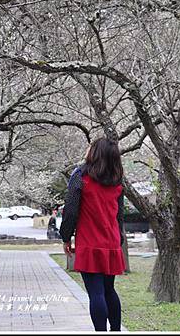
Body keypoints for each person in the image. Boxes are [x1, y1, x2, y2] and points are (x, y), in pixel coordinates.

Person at [59, 137, 125, 332]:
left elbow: (70, 210)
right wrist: (119, 239)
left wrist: (65, 237)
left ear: (95, 153)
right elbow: (119, 214)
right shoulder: (117, 180)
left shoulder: (80, 176)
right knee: (109, 290)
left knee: (96, 293)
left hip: (90, 242)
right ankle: (115, 330)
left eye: (91, 147)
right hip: (111, 241)